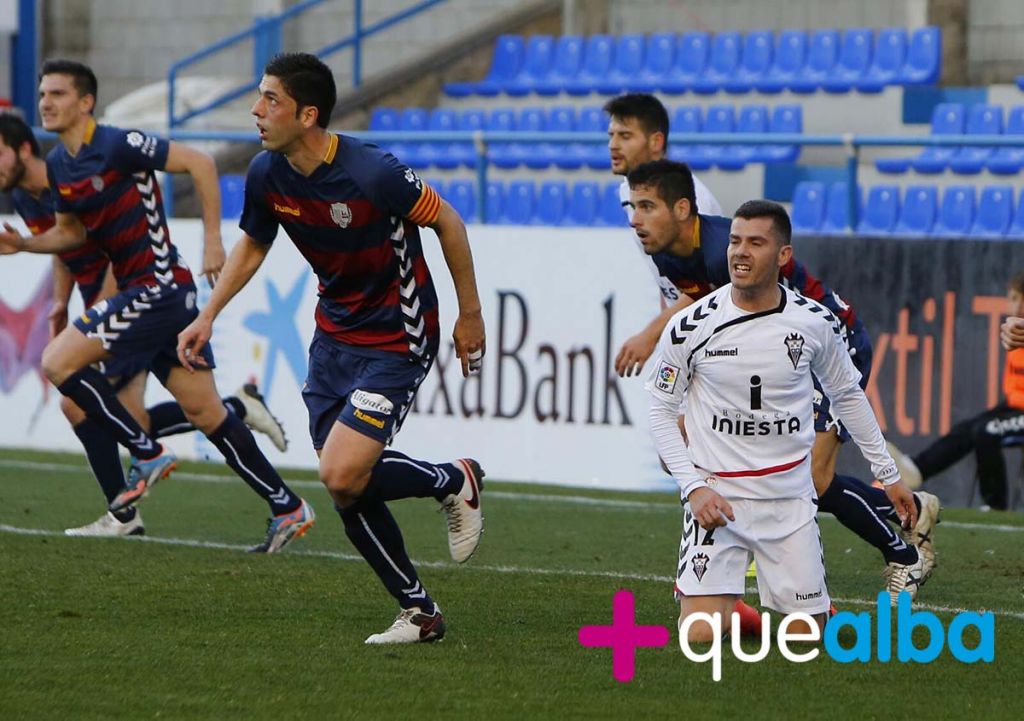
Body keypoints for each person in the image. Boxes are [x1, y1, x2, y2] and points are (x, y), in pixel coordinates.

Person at [176, 53, 486, 645]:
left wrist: (469, 315)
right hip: (332, 338)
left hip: (398, 335)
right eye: (259, 96)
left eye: (271, 99)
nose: (256, 110)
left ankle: (452, 479)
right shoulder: (268, 174)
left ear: (307, 114)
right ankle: (420, 613)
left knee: (341, 472)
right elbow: (254, 243)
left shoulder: (373, 173)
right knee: (346, 486)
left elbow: (448, 222)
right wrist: (207, 315)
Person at [0, 60, 313, 553]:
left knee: (57, 363)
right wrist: (24, 245)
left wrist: (213, 240)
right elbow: (71, 234)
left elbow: (200, 163)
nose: (46, 102)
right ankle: (288, 507)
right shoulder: (60, 164)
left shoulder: (118, 144)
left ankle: (145, 455)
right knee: (206, 412)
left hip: (159, 286)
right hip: (151, 294)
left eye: (57, 93)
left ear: (86, 102)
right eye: (42, 94)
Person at [626, 162, 938, 601]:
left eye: (646, 207)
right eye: (632, 207)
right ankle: (908, 509)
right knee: (790, 470)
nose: (635, 219)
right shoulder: (664, 253)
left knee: (812, 475)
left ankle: (903, 556)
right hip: (778, 356)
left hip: (832, 342)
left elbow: (744, 333)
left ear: (680, 210)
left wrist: (655, 348)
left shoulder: (721, 253)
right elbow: (709, 336)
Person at [889, 272, 1024, 511]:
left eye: (1017, 298)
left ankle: (996, 506)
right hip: (1015, 404)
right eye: (1012, 298)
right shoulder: (1015, 331)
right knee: (968, 429)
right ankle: (918, 468)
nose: (1014, 305)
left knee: (987, 430)